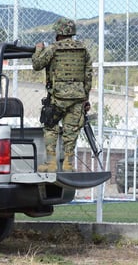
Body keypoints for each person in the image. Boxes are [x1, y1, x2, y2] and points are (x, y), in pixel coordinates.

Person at [32, 17, 93, 172]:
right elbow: (88, 75)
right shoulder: (83, 50)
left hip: (57, 97)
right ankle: (68, 164)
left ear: (58, 33)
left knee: (51, 126)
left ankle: (51, 163)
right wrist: (86, 97)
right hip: (78, 97)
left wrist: (39, 49)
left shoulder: (53, 48)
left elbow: (37, 65)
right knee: (71, 130)